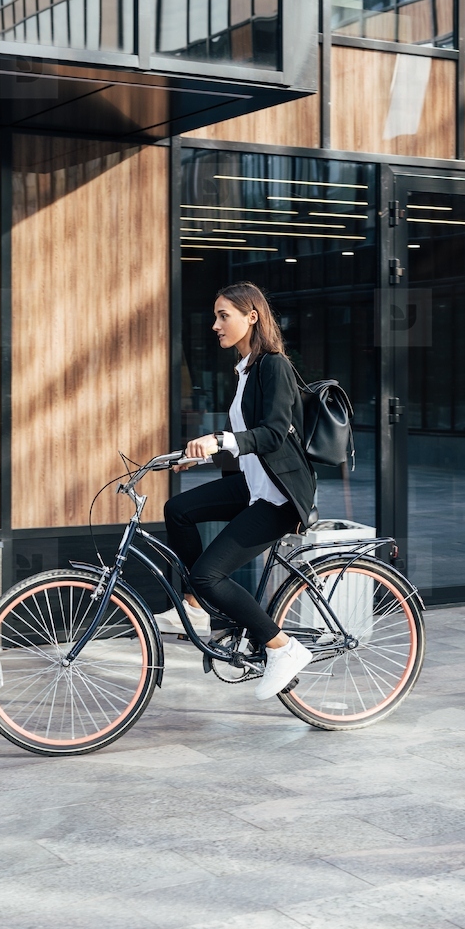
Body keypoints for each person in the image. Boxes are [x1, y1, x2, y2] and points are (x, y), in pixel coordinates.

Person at [164, 282, 318, 700]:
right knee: (177, 509)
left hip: (279, 497)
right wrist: (201, 455)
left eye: (223, 316)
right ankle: (199, 610)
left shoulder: (274, 365)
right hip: (253, 485)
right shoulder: (246, 369)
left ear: (252, 316)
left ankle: (282, 648)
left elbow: (271, 435)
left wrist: (219, 441)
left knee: (209, 572)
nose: (215, 325)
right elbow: (244, 443)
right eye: (215, 317)